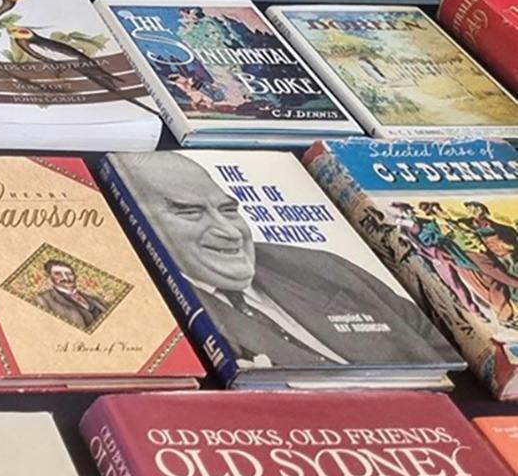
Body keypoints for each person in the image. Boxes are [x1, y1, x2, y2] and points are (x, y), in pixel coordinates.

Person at [114, 153, 448, 367]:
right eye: (190, 212)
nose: (229, 232)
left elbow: (430, 342)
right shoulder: (139, 303)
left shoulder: (321, 267)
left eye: (229, 210)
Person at [34, 257, 110, 331]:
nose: (65, 278)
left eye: (69, 274)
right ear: (49, 277)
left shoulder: (95, 299)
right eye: (58, 274)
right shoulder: (43, 299)